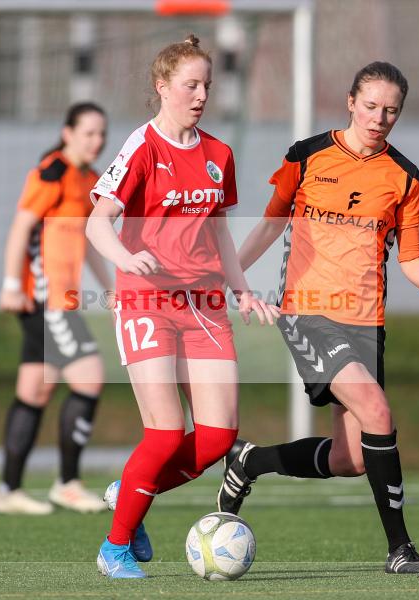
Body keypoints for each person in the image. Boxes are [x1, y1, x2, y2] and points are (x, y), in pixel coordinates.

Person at [217, 61, 419, 574]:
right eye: (372, 106)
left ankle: (249, 461)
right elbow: (270, 226)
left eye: (392, 111)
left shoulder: (404, 176)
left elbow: (410, 258)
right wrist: (226, 274)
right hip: (309, 313)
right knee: (377, 411)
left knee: (350, 459)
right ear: (351, 101)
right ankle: (400, 549)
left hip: (366, 322)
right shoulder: (307, 156)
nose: (380, 118)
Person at [85, 35, 278, 579]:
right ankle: (115, 547)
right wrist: (127, 254)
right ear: (162, 86)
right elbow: (97, 222)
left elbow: (218, 234)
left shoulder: (219, 155)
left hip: (204, 305)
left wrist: (241, 290)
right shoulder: (142, 146)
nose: (200, 96)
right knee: (166, 434)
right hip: (146, 299)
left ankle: (132, 492)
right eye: (190, 85)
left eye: (207, 86)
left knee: (217, 435)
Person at [0, 102, 115, 515]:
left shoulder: (91, 179)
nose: (96, 141)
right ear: (68, 133)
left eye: (101, 134)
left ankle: (8, 490)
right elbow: (21, 228)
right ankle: (68, 483)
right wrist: (11, 285)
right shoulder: (53, 171)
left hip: (60, 300)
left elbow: (89, 241)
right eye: (88, 133)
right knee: (90, 377)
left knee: (34, 390)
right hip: (46, 299)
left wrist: (111, 290)